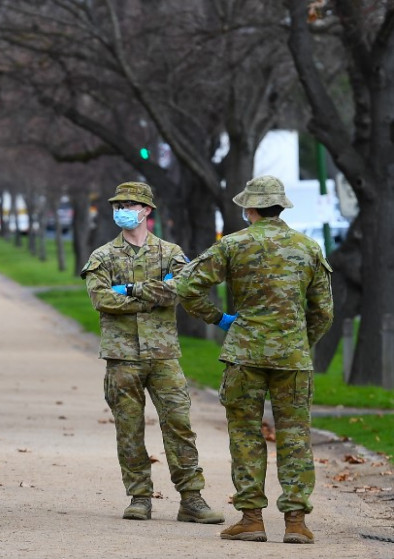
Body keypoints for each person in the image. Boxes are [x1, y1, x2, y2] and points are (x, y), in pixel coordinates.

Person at [176, 176, 333, 544]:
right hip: (292, 359)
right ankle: (296, 522)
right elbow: (323, 311)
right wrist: (298, 342)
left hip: (244, 355)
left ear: (250, 209)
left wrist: (218, 319)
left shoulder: (233, 245)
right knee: (295, 437)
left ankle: (251, 518)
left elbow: (187, 287)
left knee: (246, 436)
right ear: (281, 208)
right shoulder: (308, 248)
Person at [80, 181, 223, 524]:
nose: (121, 210)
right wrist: (157, 294)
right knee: (129, 429)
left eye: (128, 204)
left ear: (146, 210)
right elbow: (102, 300)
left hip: (163, 355)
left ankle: (191, 498)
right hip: (122, 356)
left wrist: (132, 289)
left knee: (179, 425)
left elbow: (183, 289)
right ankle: (139, 497)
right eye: (117, 205)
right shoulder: (102, 256)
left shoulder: (170, 253)